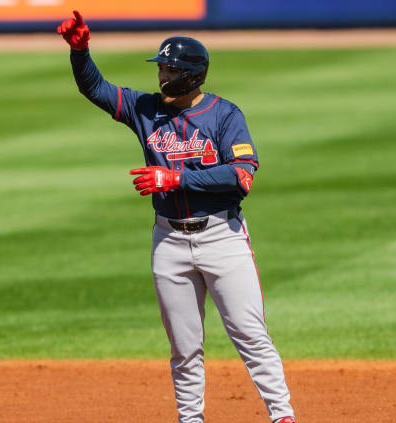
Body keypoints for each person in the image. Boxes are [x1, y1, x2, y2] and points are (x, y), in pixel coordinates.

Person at [58, 11, 297, 423]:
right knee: (184, 347)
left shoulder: (225, 116)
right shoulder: (145, 109)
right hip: (168, 243)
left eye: (168, 69)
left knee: (250, 336)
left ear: (190, 75)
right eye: (161, 68)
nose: (161, 76)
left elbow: (241, 176)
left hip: (223, 238)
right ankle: (191, 419)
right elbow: (95, 89)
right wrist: (81, 52)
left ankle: (283, 416)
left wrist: (175, 178)